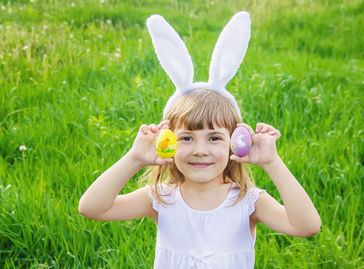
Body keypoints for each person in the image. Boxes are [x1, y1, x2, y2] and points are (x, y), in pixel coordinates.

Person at [79, 12, 321, 269]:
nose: (200, 150)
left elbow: (307, 226)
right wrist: (135, 159)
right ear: (168, 141)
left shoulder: (248, 201)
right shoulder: (160, 198)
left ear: (235, 142)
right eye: (187, 138)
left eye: (214, 137)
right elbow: (92, 208)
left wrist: (272, 162)